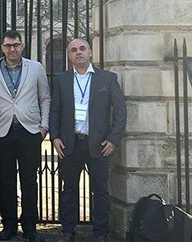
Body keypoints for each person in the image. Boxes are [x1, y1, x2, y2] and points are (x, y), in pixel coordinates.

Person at [50, 39, 126, 242]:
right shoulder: (61, 79)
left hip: (99, 144)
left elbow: (120, 112)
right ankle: (68, 231)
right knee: (69, 189)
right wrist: (55, 136)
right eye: (73, 50)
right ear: (69, 55)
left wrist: (113, 140)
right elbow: (55, 110)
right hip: (70, 143)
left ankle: (100, 233)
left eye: (82, 48)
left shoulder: (108, 79)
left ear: (90, 52)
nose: (78, 53)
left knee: (100, 190)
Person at [0, 30, 51, 242]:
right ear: (2, 47)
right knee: (5, 181)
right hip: (3, 132)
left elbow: (45, 98)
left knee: (30, 181)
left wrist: (44, 127)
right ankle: (9, 225)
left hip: (30, 131)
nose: (12, 49)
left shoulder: (35, 68)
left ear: (22, 46)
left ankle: (30, 226)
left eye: (16, 45)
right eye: (8, 45)